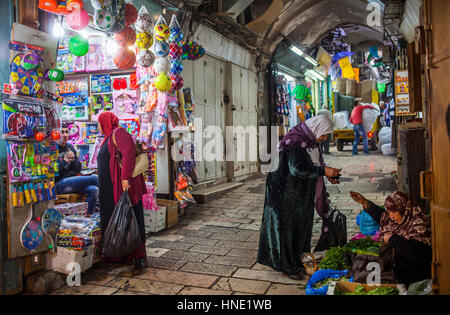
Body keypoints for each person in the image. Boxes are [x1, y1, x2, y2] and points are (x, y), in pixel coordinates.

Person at [257, 115, 341, 280]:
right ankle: (289, 267)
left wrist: (326, 172)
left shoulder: (308, 141)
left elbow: (312, 165)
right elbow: (297, 169)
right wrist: (324, 171)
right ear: (315, 128)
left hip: (298, 195)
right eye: (323, 134)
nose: (324, 138)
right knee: (288, 230)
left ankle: (298, 261)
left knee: (301, 228)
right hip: (284, 195)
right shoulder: (296, 142)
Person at [97, 111, 148, 273]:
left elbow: (128, 154)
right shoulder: (106, 138)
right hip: (109, 189)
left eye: (99, 123)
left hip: (123, 186)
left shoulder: (119, 133)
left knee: (131, 217)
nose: (98, 126)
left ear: (105, 122)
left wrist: (125, 178)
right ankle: (119, 254)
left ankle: (140, 256)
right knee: (116, 220)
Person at [349, 190, 432, 287]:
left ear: (404, 209)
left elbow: (418, 253)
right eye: (389, 211)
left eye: (394, 212)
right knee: (359, 262)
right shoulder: (398, 219)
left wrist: (393, 239)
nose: (391, 216)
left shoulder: (419, 225)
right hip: (394, 267)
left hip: (410, 277)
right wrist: (364, 202)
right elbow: (382, 216)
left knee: (363, 278)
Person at [55, 122, 99, 215]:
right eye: (62, 132)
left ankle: (88, 217)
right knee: (95, 178)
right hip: (60, 183)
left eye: (67, 132)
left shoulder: (69, 146)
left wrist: (74, 158)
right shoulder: (53, 148)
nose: (65, 135)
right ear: (57, 133)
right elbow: (54, 173)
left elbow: (78, 169)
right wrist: (65, 161)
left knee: (94, 190)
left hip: (73, 182)